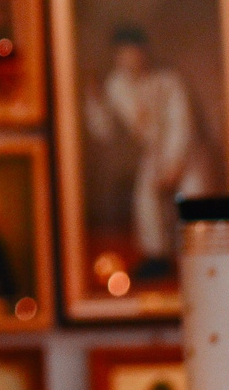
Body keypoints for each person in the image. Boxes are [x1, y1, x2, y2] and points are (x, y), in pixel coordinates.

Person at [84, 26, 218, 277]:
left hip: (187, 154)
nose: (129, 59)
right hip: (154, 153)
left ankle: (203, 263)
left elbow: (182, 123)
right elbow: (104, 131)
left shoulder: (168, 80)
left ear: (144, 52)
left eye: (134, 52)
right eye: (123, 54)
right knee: (147, 203)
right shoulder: (116, 85)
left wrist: (174, 163)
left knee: (194, 201)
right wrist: (94, 99)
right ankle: (157, 259)